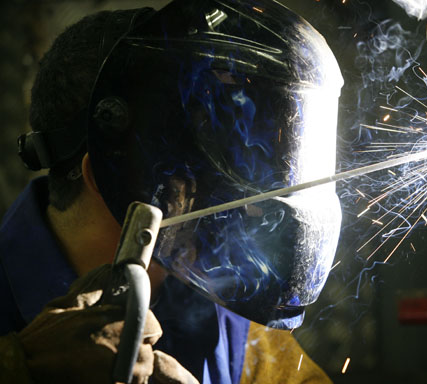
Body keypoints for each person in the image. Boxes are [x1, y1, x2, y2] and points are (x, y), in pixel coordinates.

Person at [0, 0, 344, 382]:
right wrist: (19, 367)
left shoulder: (228, 323)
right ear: (115, 172)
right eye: (210, 158)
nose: (244, 201)